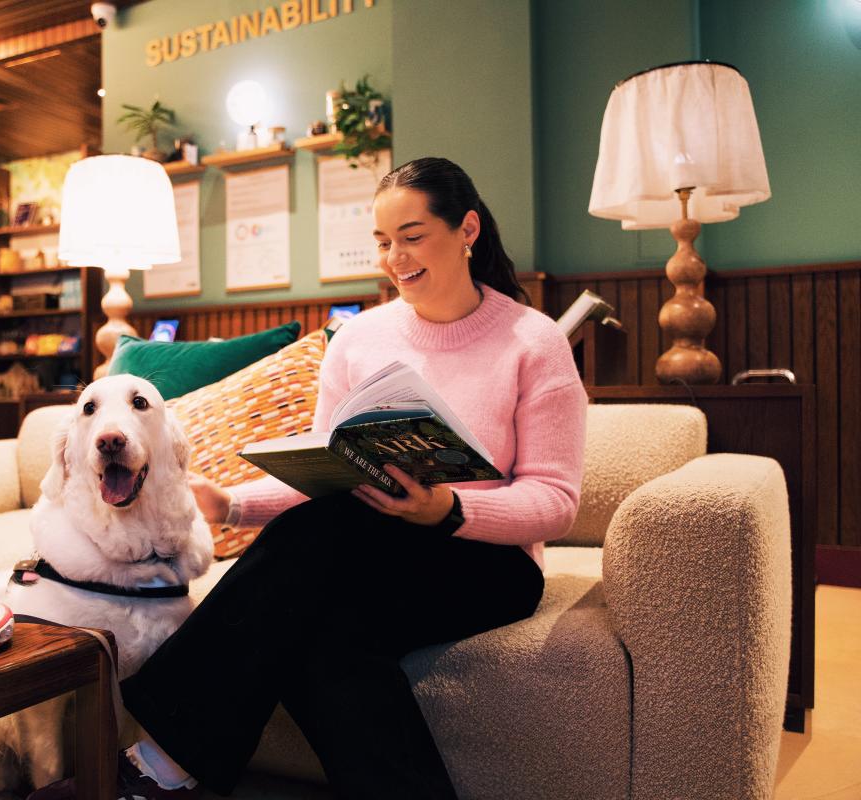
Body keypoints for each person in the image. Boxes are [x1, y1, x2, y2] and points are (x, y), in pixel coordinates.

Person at [116, 157, 588, 799]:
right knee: (326, 641)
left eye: (413, 236)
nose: (396, 258)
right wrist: (229, 503)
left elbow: (557, 500)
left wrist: (449, 510)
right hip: (371, 553)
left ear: (467, 229)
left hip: (489, 565)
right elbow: (327, 466)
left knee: (329, 530)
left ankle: (170, 748)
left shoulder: (533, 342)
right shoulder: (358, 339)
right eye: (383, 241)